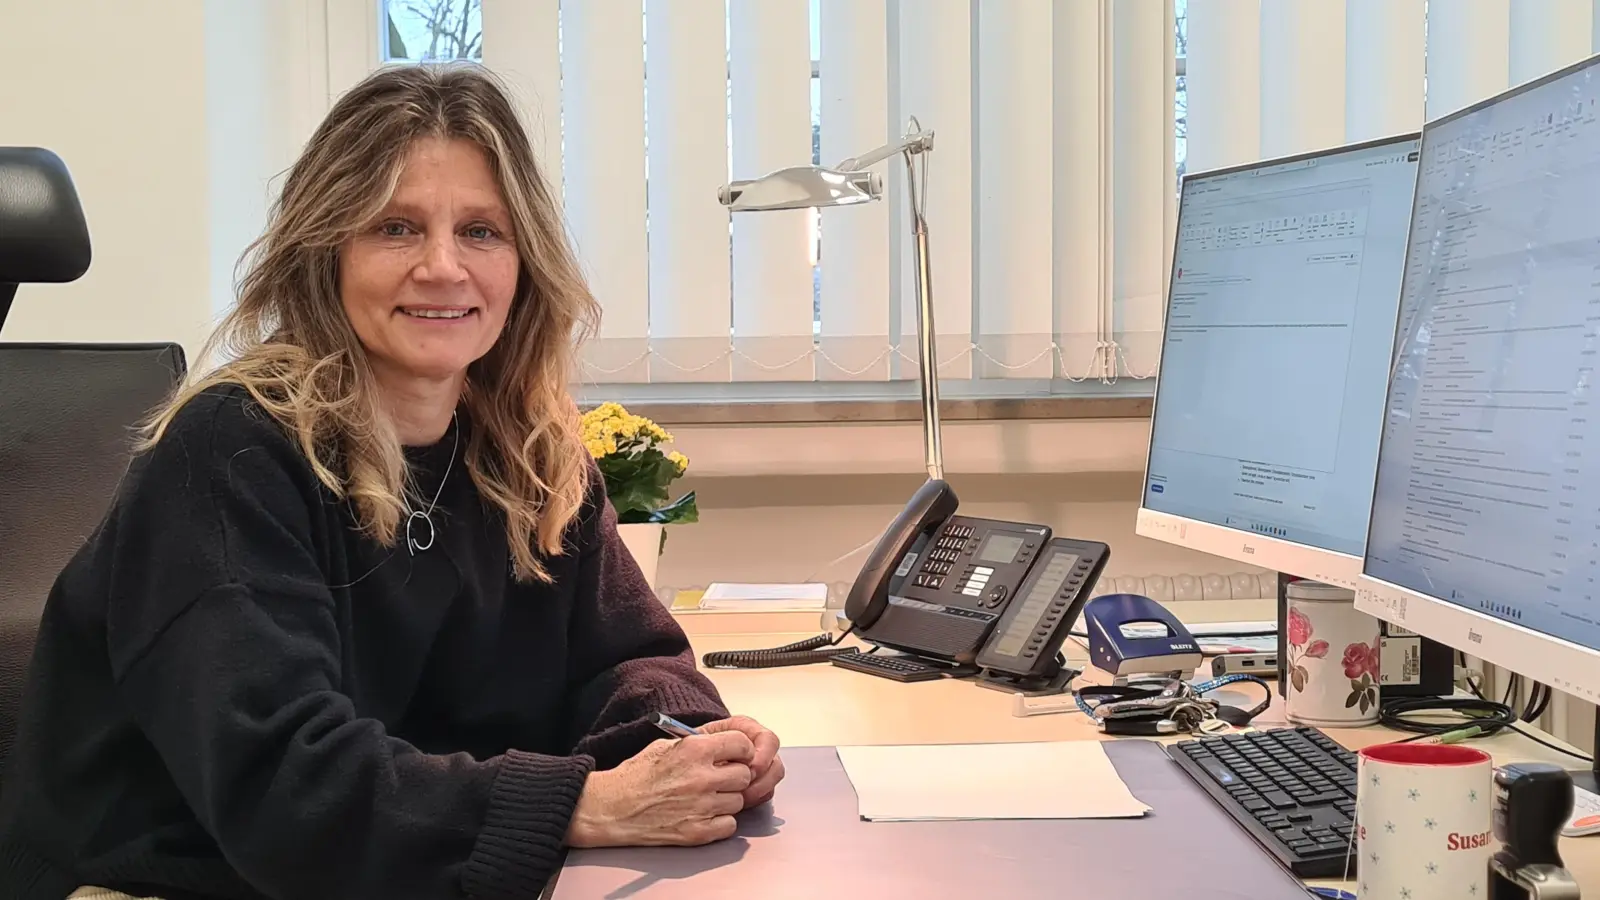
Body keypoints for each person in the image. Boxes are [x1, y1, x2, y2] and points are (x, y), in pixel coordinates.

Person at [0, 64, 784, 900]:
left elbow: (625, 655)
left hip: (398, 870)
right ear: (325, 252)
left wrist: (691, 742)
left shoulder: (529, 451)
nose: (445, 267)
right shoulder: (232, 451)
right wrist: (579, 805)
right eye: (396, 228)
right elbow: (288, 788)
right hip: (173, 880)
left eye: (482, 231)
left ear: (526, 264)